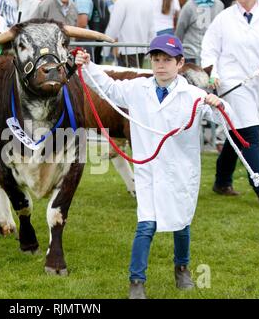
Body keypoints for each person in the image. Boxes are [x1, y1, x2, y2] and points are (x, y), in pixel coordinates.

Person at [75, 35, 231, 299]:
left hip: (180, 171)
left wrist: (218, 104)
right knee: (145, 224)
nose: (160, 65)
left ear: (180, 63)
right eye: (156, 59)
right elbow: (109, 88)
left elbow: (223, 117)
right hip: (148, 171)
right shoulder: (138, 89)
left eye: (167, 60)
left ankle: (182, 268)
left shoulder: (193, 95)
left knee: (181, 222)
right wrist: (89, 65)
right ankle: (137, 282)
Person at [201, 0, 259, 205]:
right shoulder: (224, 18)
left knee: (237, 133)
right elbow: (209, 49)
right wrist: (213, 74)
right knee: (249, 131)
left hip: (258, 82)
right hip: (231, 82)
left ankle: (222, 181)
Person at [105, 0, 154, 68]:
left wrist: (105, 49)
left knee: (129, 77)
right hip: (141, 47)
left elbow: (113, 26)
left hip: (126, 48)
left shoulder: (122, 1)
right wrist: (151, 49)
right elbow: (151, 28)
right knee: (136, 75)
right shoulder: (148, 2)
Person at [175, 0, 224, 64]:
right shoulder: (219, 4)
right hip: (209, 53)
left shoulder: (189, 5)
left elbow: (180, 28)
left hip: (192, 52)